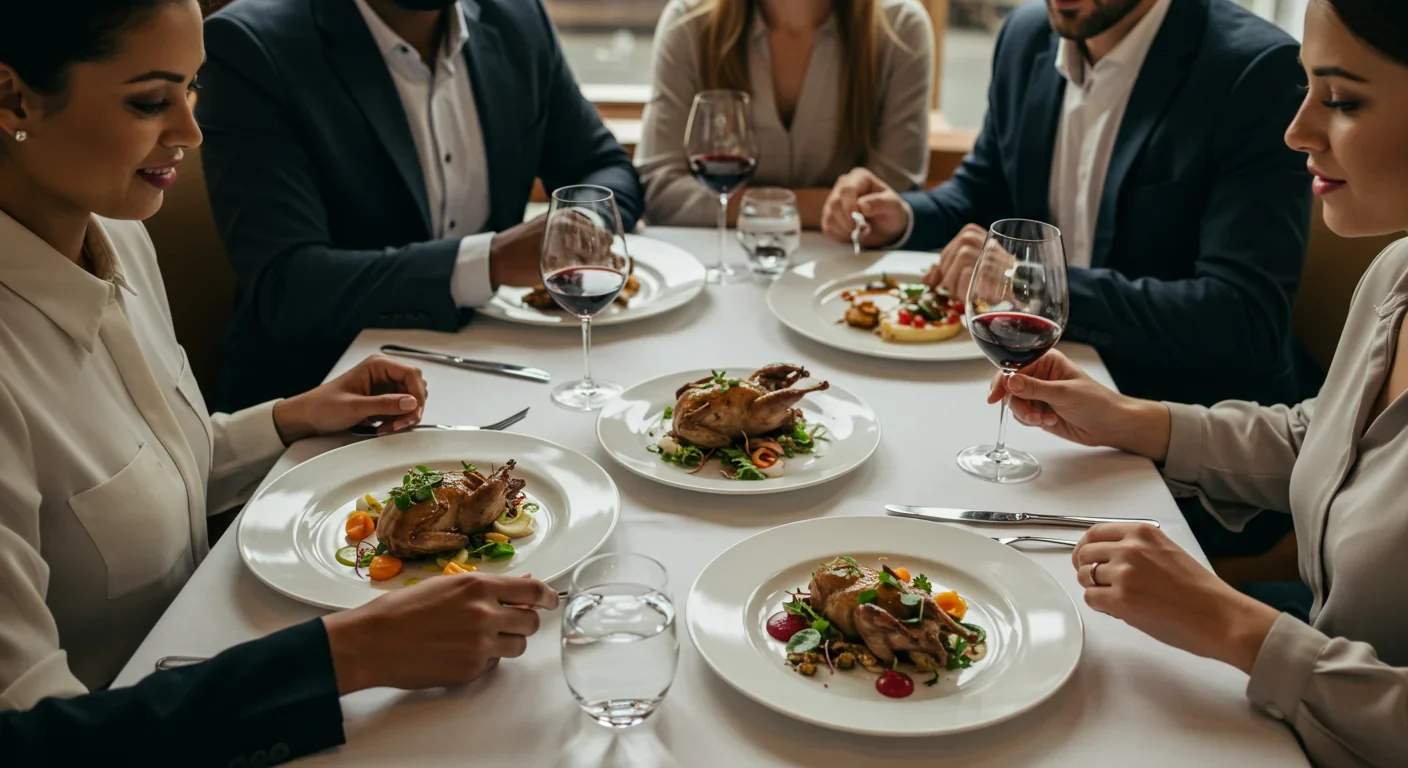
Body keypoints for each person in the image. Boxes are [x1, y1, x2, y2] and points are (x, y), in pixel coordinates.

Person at [0, 2, 558, 762]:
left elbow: (127, 479)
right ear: (12, 98)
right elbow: (31, 742)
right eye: (149, 100)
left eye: (191, 89)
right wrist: (346, 657)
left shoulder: (120, 235)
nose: (191, 132)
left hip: (215, 646)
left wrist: (286, 421)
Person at [984, 1, 1408, 764]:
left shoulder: (1240, 70)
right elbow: (1323, 436)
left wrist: (1236, 625)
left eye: (1341, 100)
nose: (1297, 131)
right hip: (1308, 674)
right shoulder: (1396, 273)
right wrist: (1131, 419)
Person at [821, 0, 1316, 410]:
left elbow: (1244, 318)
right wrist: (903, 217)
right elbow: (983, 192)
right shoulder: (1026, 34)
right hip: (1035, 392)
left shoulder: (1255, 73)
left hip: (1185, 423)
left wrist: (1032, 285)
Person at [198, 0, 645, 411]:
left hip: (500, 372)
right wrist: (487, 261)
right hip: (324, 400)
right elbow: (287, 283)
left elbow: (603, 166)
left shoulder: (517, 18)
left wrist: (578, 227)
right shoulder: (251, 46)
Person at [636, 0, 934, 228]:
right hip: (718, 273)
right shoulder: (689, 23)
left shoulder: (901, 29)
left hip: (846, 281)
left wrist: (741, 205)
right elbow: (661, 193)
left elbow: (891, 202)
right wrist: (816, 207)